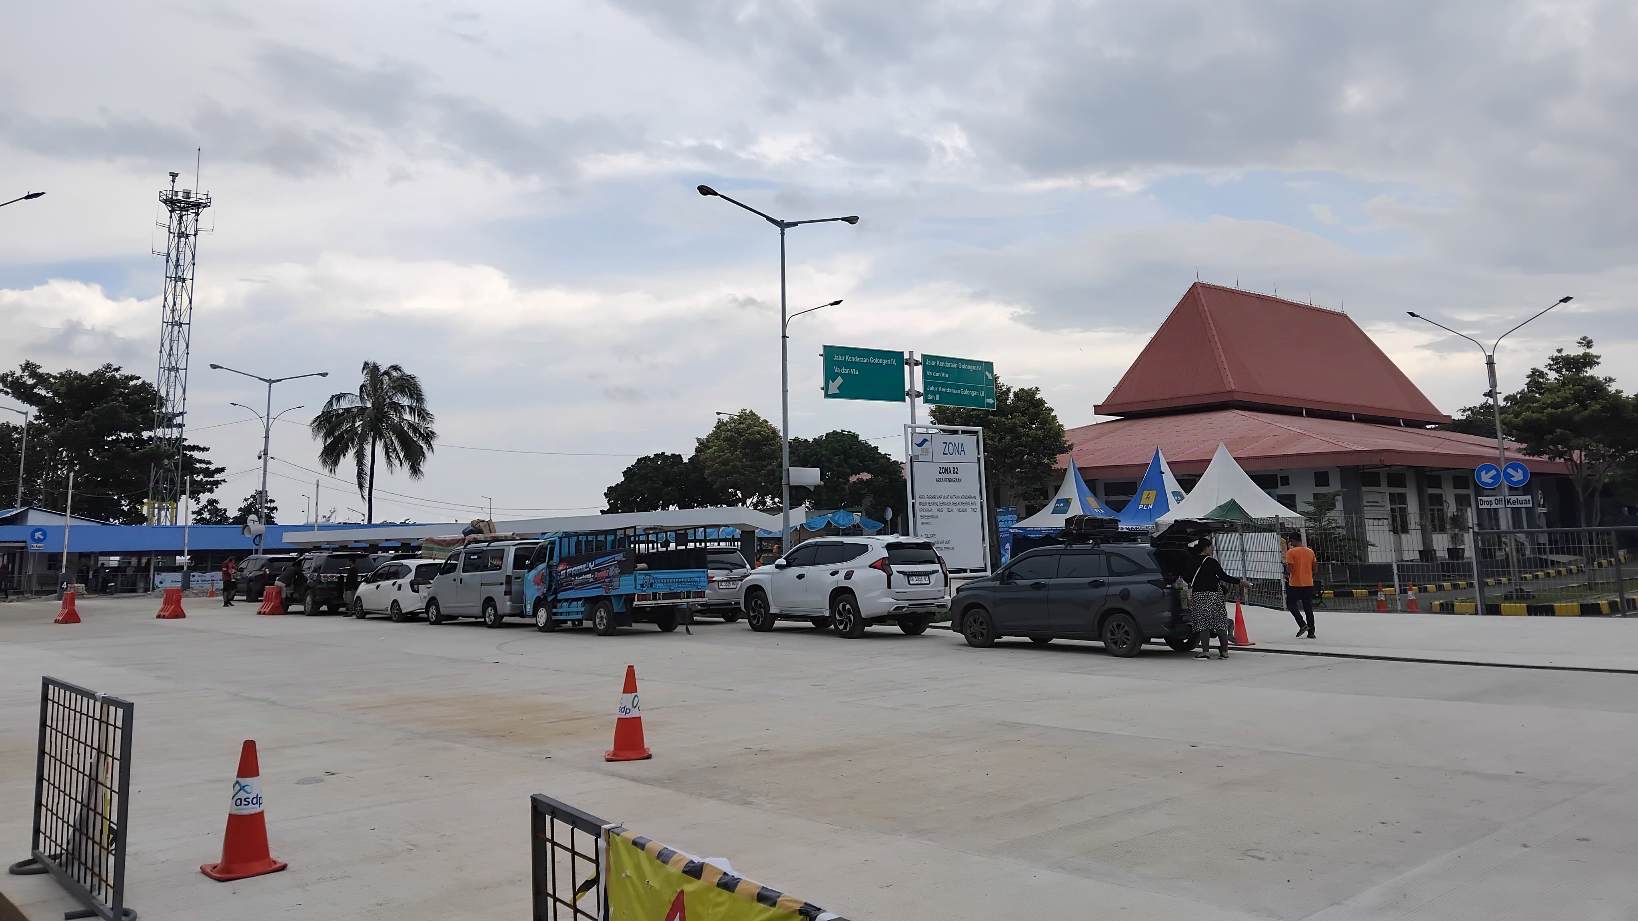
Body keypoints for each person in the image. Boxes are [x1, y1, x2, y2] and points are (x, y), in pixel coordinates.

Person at [1187, 537, 1246, 659]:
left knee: (1204, 624)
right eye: (1210, 547)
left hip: (1199, 595)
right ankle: (1224, 651)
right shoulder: (1211, 561)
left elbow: (1188, 578)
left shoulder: (1191, 562)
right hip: (1214, 595)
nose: (1212, 549)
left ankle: (1205, 651)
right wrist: (1239, 582)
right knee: (1220, 622)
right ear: (1206, 548)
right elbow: (1224, 576)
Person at [1284, 533, 1317, 638]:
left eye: (1291, 542)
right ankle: (1311, 632)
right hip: (1308, 583)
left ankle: (1302, 624)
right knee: (1308, 608)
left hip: (1295, 584)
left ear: (1293, 541)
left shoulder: (1290, 552)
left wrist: (1286, 569)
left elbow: (1290, 569)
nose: (1290, 543)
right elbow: (1315, 568)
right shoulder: (1310, 551)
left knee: (1291, 604)